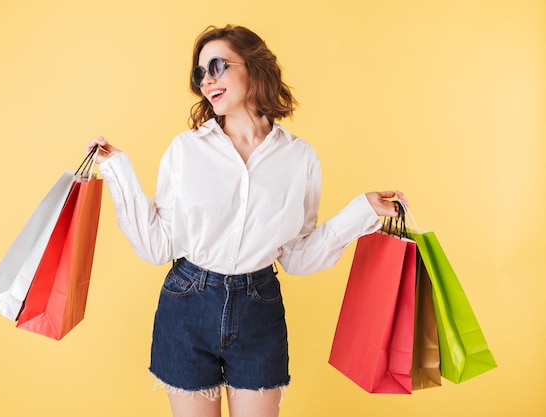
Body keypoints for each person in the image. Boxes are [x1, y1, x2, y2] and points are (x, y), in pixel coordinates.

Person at [86, 24, 407, 417]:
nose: (207, 80)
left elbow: (298, 257)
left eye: (217, 66)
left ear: (254, 69)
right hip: (187, 305)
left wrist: (362, 212)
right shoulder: (186, 150)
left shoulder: (299, 158)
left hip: (259, 307)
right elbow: (157, 247)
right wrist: (119, 170)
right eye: (199, 73)